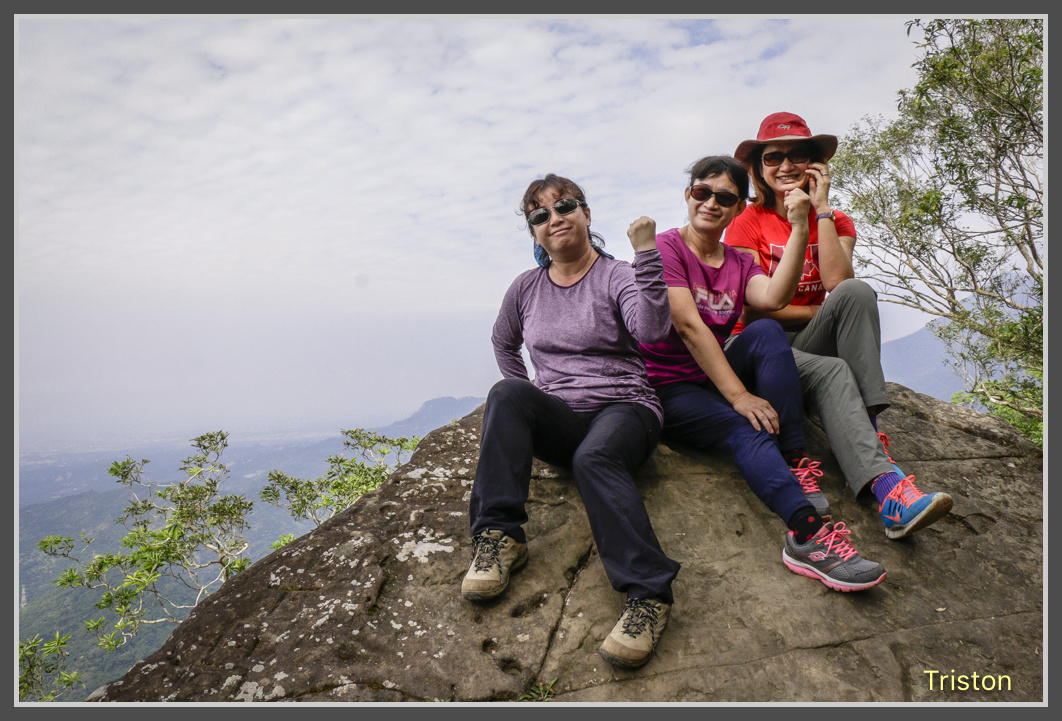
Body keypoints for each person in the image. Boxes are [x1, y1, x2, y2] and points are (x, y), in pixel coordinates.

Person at [639, 155, 886, 592]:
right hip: (669, 386)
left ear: (737, 208)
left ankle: (793, 459)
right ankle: (807, 536)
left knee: (768, 330)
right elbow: (688, 327)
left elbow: (772, 296)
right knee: (746, 431)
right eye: (702, 192)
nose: (711, 203)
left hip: (710, 375)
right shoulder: (666, 247)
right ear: (688, 195)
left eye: (725, 197)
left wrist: (800, 227)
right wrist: (739, 397)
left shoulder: (736, 260)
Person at [463, 174, 678, 670]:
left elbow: (652, 330)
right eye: (539, 215)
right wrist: (535, 392)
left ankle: (649, 596)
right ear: (534, 232)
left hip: (625, 407)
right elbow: (503, 342)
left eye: (564, 206)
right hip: (562, 413)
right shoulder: (527, 287)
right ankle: (499, 538)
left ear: (585, 214)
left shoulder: (616, 274)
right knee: (508, 394)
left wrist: (647, 255)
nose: (554, 218)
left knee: (594, 457)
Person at [725, 111, 952, 539]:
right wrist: (812, 311)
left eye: (799, 155)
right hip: (765, 347)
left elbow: (837, 285)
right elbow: (752, 309)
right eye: (774, 156)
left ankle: (870, 437)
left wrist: (821, 209)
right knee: (834, 370)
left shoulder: (836, 220)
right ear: (758, 168)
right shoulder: (746, 223)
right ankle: (889, 488)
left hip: (812, 339)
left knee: (858, 291)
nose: (786, 166)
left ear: (816, 164)